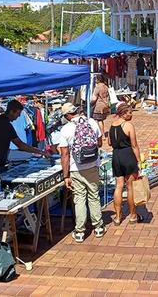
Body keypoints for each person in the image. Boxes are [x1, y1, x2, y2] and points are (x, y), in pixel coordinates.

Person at [58, 102, 106, 243]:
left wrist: (65, 175)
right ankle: (98, 227)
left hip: (76, 168)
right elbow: (99, 143)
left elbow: (64, 155)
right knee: (94, 195)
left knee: (79, 198)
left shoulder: (66, 129)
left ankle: (80, 231)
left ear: (67, 115)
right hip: (92, 165)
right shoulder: (91, 122)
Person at [0, 100, 48, 170]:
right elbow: (20, 145)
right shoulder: (6, 125)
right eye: (18, 113)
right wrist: (40, 152)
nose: (18, 116)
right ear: (11, 111)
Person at [108, 103, 141, 225]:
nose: (131, 115)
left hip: (116, 156)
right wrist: (139, 161)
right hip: (127, 155)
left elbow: (110, 142)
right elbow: (134, 145)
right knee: (130, 186)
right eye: (129, 112)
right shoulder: (128, 125)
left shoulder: (112, 125)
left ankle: (117, 216)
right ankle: (133, 215)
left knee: (119, 186)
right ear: (123, 113)